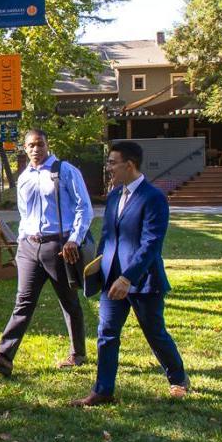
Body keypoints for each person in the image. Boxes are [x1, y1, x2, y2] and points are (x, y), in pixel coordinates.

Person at [71, 141, 189, 406]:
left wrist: (128, 278)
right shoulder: (114, 196)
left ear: (130, 165)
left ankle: (178, 379)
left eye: (112, 163)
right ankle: (103, 391)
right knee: (107, 333)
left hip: (142, 281)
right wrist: (98, 270)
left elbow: (151, 244)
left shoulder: (154, 197)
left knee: (155, 332)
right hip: (112, 280)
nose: (108, 168)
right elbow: (107, 236)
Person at [0, 129, 93, 377]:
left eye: (40, 144)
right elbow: (24, 214)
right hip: (29, 247)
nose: (36, 149)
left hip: (59, 247)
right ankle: (4, 356)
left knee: (68, 301)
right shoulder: (24, 177)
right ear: (24, 148)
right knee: (23, 301)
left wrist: (74, 239)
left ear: (48, 145)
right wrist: (21, 244)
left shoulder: (65, 171)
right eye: (30, 146)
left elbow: (84, 208)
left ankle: (77, 353)